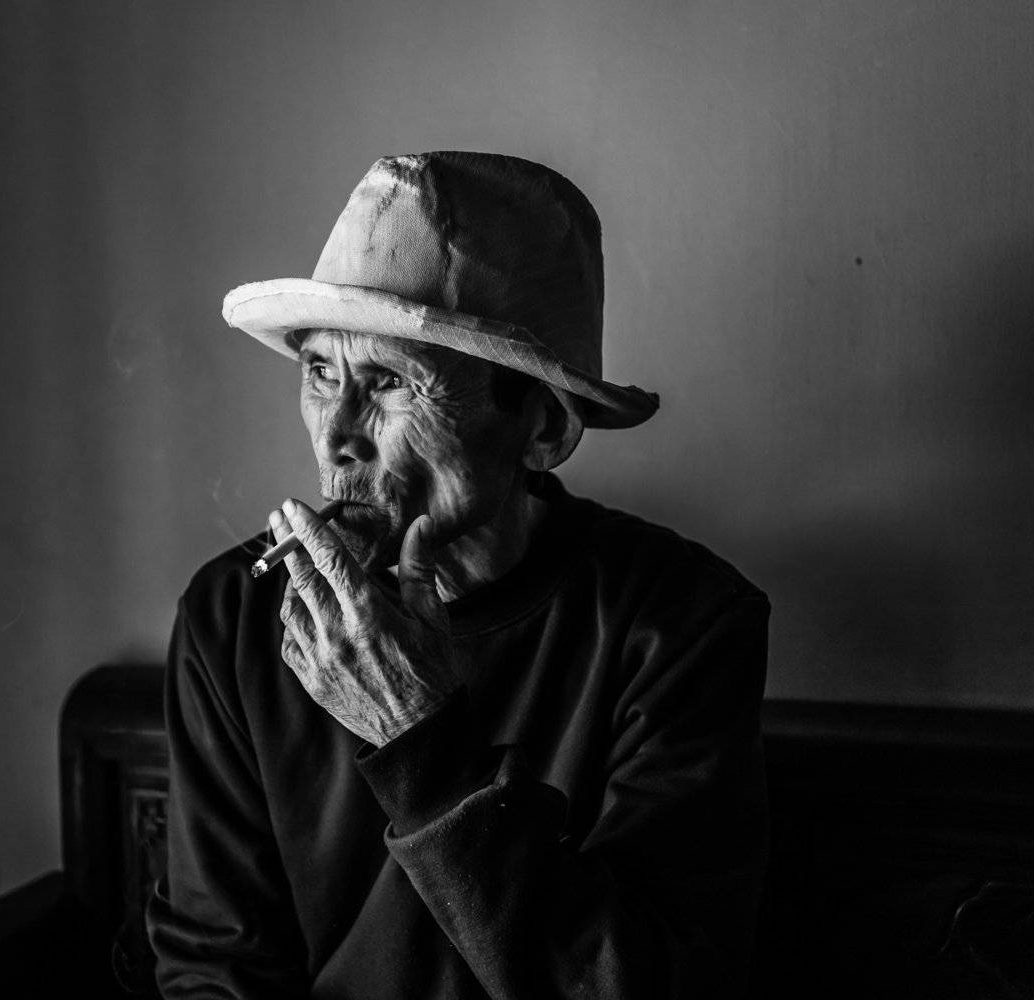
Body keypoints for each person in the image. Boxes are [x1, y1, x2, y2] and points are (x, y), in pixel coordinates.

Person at [145, 151, 770, 999]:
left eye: (390, 383)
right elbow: (215, 971)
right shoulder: (235, 613)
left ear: (542, 428)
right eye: (321, 372)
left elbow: (637, 982)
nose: (337, 436)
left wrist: (420, 739)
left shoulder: (678, 624)